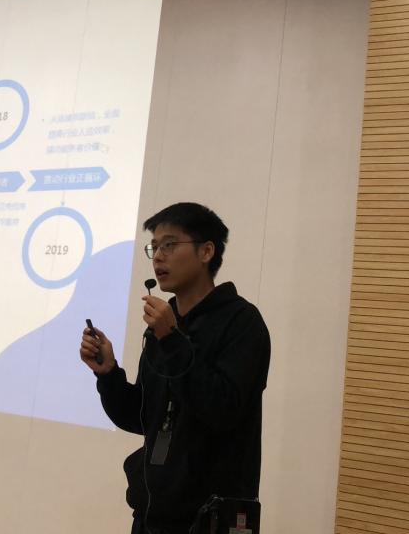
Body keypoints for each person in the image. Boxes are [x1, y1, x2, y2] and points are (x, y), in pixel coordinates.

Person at [80, 202, 271, 534]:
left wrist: (171, 340)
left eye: (169, 245)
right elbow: (143, 417)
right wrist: (108, 374)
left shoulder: (242, 322)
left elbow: (222, 409)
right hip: (152, 514)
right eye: (154, 247)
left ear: (206, 251)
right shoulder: (163, 327)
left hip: (210, 517)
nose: (158, 257)